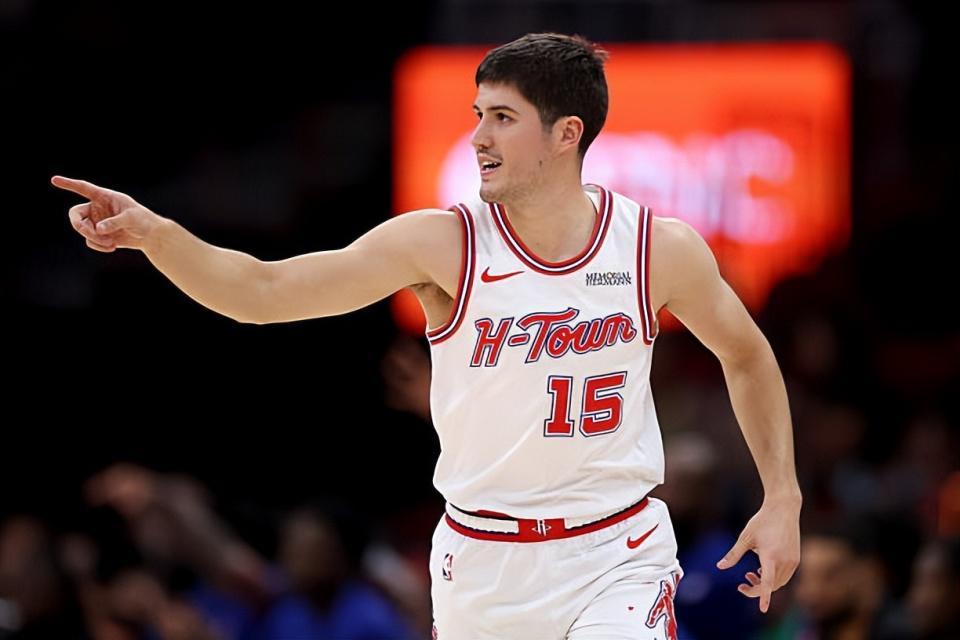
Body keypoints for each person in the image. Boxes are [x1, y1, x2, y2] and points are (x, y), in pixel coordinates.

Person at [52, 31, 802, 640]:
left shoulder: (655, 248)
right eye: (477, 114)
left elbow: (745, 353)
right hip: (481, 562)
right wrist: (156, 236)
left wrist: (782, 498)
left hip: (616, 552)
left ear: (566, 134)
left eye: (502, 117)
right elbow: (263, 294)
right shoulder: (442, 245)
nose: (477, 136)